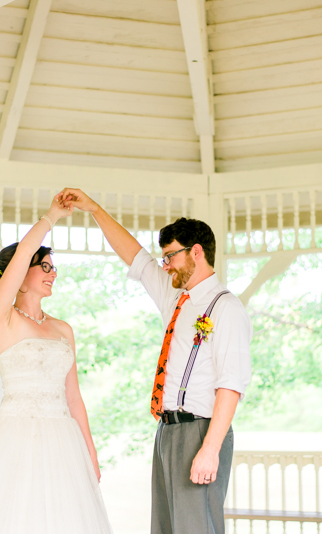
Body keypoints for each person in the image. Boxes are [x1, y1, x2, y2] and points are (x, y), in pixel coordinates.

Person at [58, 188, 252, 534]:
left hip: (201, 431)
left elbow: (231, 386)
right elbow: (134, 255)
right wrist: (93, 209)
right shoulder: (174, 295)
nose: (164, 265)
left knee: (196, 528)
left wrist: (210, 450)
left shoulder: (226, 308)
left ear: (196, 252)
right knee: (164, 529)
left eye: (170, 257)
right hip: (167, 431)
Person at [0, 196, 112, 534]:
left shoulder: (64, 330)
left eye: (53, 267)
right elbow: (21, 258)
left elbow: (73, 397)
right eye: (44, 266)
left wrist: (90, 452)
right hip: (11, 441)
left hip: (63, 444)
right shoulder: (2, 318)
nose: (53, 273)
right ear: (20, 271)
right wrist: (51, 217)